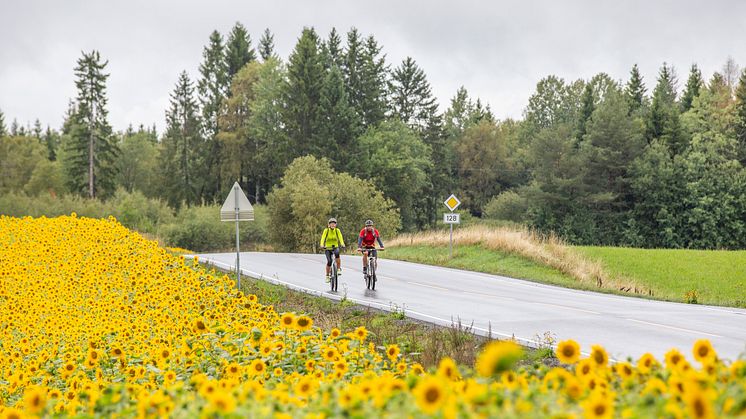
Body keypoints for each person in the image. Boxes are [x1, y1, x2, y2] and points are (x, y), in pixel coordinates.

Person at [320, 217, 345, 282]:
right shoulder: (326, 230)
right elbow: (323, 238)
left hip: (335, 247)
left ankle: (339, 269)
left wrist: (342, 244)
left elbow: (340, 238)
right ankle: (327, 276)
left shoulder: (337, 230)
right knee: (329, 261)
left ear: (335, 225)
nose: (333, 225)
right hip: (328, 248)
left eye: (334, 224)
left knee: (337, 254)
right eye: (331, 224)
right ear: (329, 225)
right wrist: (322, 245)